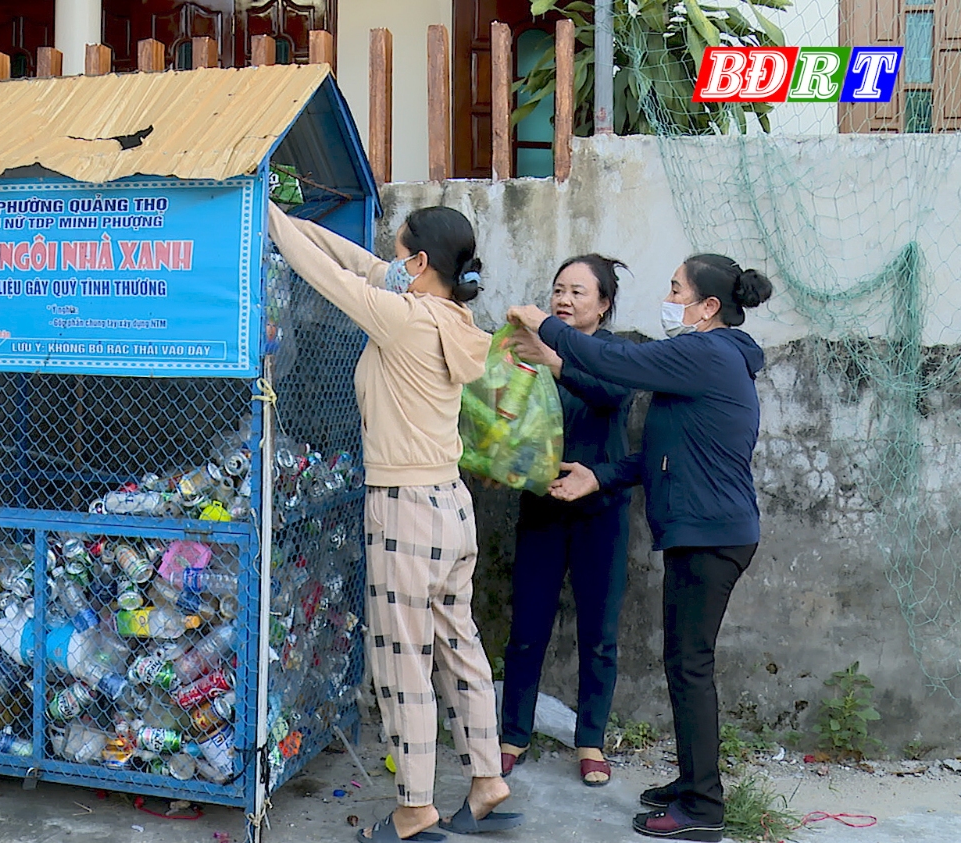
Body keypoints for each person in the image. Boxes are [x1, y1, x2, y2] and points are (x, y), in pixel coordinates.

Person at [266, 202, 524, 842]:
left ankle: (415, 807)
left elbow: (325, 275)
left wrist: (260, 217)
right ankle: (487, 781)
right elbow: (359, 264)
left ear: (420, 262)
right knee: (460, 649)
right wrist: (281, 212)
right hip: (451, 507)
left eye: (400, 251)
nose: (390, 259)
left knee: (401, 661)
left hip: (406, 509)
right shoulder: (451, 317)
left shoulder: (403, 318)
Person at [505, 254, 774, 842]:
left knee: (690, 668)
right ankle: (690, 784)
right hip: (704, 531)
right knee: (685, 667)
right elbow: (657, 448)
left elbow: (617, 360)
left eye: (677, 289)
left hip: (711, 534)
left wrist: (544, 326)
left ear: (707, 307)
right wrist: (599, 477)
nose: (669, 297)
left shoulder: (707, 352)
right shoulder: (709, 359)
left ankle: (702, 807)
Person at [495, 255, 634, 788]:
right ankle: (513, 735)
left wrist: (554, 361)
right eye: (558, 290)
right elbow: (503, 415)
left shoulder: (620, 353)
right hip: (542, 506)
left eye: (578, 292)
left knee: (600, 635)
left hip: (603, 511)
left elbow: (612, 394)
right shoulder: (525, 356)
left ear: (603, 305)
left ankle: (591, 741)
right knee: (527, 629)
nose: (565, 300)